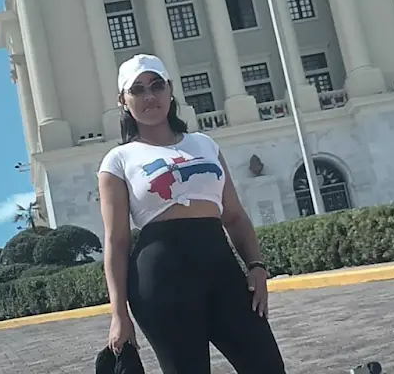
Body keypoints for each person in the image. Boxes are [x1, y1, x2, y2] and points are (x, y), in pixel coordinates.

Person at [97, 54, 286, 374]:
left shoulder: (205, 144)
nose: (149, 96)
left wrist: (256, 266)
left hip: (222, 271)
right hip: (161, 282)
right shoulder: (118, 160)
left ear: (170, 89)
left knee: (267, 367)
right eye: (137, 90)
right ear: (123, 101)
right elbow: (116, 241)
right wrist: (119, 314)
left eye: (156, 85)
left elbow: (234, 216)